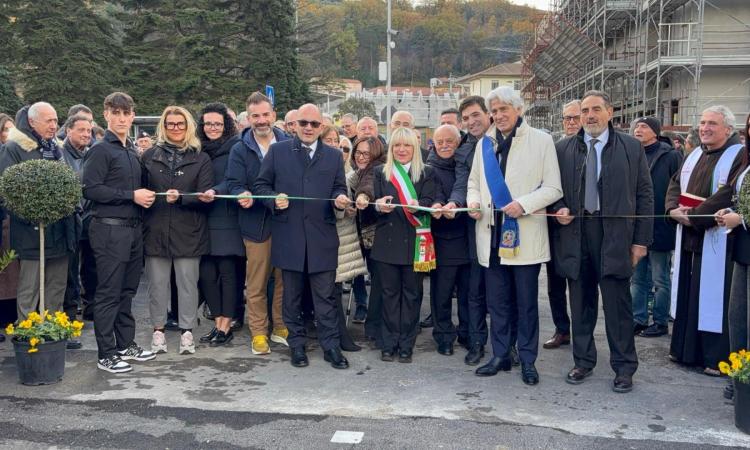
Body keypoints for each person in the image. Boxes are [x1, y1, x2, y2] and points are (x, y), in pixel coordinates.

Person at [551, 90, 653, 393]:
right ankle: (583, 361)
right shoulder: (564, 148)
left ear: (610, 112)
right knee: (580, 303)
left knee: (618, 306)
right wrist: (559, 210)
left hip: (616, 238)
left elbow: (645, 195)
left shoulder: (632, 148)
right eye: (584, 111)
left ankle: (624, 367)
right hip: (576, 235)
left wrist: (640, 242)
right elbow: (553, 191)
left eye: (596, 109)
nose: (589, 116)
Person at [467, 86, 562, 385]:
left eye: (503, 110)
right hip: (491, 234)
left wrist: (524, 204)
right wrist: (472, 201)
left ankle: (528, 359)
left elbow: (554, 188)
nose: (498, 116)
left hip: (524, 234)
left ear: (519, 109)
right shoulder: (485, 144)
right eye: (494, 111)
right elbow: (473, 182)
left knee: (526, 303)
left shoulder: (542, 141)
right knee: (497, 303)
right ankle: (500, 354)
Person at [254, 103, 351, 369]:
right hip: (290, 236)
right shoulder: (277, 152)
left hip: (322, 238)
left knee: (326, 298)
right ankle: (297, 346)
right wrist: (273, 200)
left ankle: (331, 347)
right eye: (304, 123)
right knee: (291, 297)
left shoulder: (333, 156)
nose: (309, 128)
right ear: (294, 125)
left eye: (314, 124)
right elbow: (261, 186)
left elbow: (338, 189)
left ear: (322, 127)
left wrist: (339, 200)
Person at [666, 105, 744, 376]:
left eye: (712, 123)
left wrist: (696, 217)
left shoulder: (739, 154)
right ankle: (686, 351)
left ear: (728, 129)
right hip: (688, 234)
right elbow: (675, 183)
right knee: (689, 293)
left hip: (717, 237)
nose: (705, 128)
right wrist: (672, 210)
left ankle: (714, 357)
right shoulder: (695, 152)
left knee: (713, 298)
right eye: (702, 122)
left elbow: (730, 192)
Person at [82, 92, 156, 373]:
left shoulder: (129, 150)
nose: (122, 118)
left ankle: (125, 345)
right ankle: (106, 353)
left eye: (127, 114)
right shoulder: (101, 150)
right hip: (109, 230)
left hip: (133, 231)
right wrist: (131, 196)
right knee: (109, 293)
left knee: (127, 292)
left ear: (133, 116)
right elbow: (90, 189)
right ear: (106, 115)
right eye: (117, 113)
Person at [141, 106, 213, 355]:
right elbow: (141, 190)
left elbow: (206, 195)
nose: (175, 128)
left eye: (180, 124)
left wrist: (182, 198)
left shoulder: (200, 157)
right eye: (170, 124)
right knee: (157, 284)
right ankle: (158, 331)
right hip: (155, 230)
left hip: (189, 230)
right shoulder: (149, 155)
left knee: (187, 284)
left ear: (188, 126)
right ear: (163, 126)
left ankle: (187, 331)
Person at [226, 92, 290, 355]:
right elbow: (233, 183)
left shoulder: (289, 143)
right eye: (255, 116)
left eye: (265, 114)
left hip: (286, 223)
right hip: (255, 225)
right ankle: (259, 332)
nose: (261, 120)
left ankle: (281, 326)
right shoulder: (240, 148)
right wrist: (240, 193)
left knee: (284, 279)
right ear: (247, 119)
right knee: (257, 283)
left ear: (274, 115)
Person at [0, 103, 74, 321]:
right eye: (48, 121)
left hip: (59, 231)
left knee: (56, 288)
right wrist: (34, 213)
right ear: (32, 122)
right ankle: (28, 337)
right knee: (29, 290)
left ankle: (54, 333)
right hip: (30, 234)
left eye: (55, 120)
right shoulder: (14, 149)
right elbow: (7, 191)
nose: (54, 125)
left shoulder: (56, 148)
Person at [369, 127, 435, 363]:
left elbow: (430, 200)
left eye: (407, 145)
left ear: (415, 148)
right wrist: (378, 205)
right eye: (397, 145)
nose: (402, 149)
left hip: (415, 243)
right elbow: (371, 203)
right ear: (391, 148)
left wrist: (421, 204)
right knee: (388, 296)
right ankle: (388, 344)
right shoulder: (380, 172)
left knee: (412, 296)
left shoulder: (427, 172)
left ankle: (406, 344)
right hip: (387, 245)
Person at [442, 95, 493, 366]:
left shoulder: (506, 141)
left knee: (504, 293)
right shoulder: (464, 151)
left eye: (476, 115)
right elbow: (462, 183)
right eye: (467, 118)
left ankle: (509, 346)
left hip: (510, 225)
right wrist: (455, 202)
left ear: (488, 114)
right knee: (475, 291)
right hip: (477, 227)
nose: (472, 122)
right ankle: (476, 343)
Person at [194, 102, 244, 346]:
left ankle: (226, 325)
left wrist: (215, 191)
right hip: (202, 219)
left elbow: (234, 180)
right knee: (206, 275)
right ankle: (217, 323)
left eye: (217, 124)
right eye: (208, 124)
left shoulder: (236, 147)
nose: (213, 128)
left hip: (226, 218)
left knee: (227, 273)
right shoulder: (196, 148)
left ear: (226, 126)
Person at [630, 117, 682, 337]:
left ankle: (660, 320)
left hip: (660, 224)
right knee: (637, 277)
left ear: (655, 132)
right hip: (637, 225)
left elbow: (678, 185)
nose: (638, 129)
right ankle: (638, 318)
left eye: (644, 126)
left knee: (660, 278)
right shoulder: (632, 152)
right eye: (637, 126)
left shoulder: (670, 155)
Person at [715, 114, 750, 401]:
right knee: (737, 317)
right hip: (743, 249)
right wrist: (731, 212)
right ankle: (739, 376)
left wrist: (742, 218)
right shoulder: (746, 162)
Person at [427, 124, 470, 355]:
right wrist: (437, 204)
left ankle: (466, 333)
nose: (444, 146)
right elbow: (433, 194)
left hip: (468, 239)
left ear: (458, 142)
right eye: (440, 142)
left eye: (449, 141)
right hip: (443, 240)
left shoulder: (466, 165)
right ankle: (443, 335)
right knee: (441, 294)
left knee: (468, 293)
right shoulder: (429, 168)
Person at [543, 99, 582, 350]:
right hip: (556, 227)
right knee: (554, 284)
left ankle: (581, 332)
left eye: (574, 117)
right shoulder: (556, 149)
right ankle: (562, 329)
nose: (570, 123)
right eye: (566, 118)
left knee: (580, 288)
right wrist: (557, 209)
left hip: (583, 228)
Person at [329, 125, 369, 352]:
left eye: (345, 147)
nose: (339, 149)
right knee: (329, 291)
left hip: (345, 240)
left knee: (336, 289)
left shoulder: (352, 176)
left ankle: (341, 336)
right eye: (333, 142)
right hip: (325, 237)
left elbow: (366, 185)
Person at [61, 113, 93, 349]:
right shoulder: (60, 155)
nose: (85, 134)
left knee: (91, 269)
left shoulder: (90, 153)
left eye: (89, 130)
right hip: (70, 221)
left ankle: (90, 309)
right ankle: (70, 320)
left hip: (90, 220)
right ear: (68, 130)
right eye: (81, 130)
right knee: (70, 272)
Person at [351, 136, 387, 336]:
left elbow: (368, 186)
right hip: (361, 232)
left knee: (378, 279)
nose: (361, 157)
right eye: (358, 152)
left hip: (375, 233)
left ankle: (374, 326)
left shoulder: (376, 168)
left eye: (366, 153)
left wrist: (362, 196)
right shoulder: (356, 171)